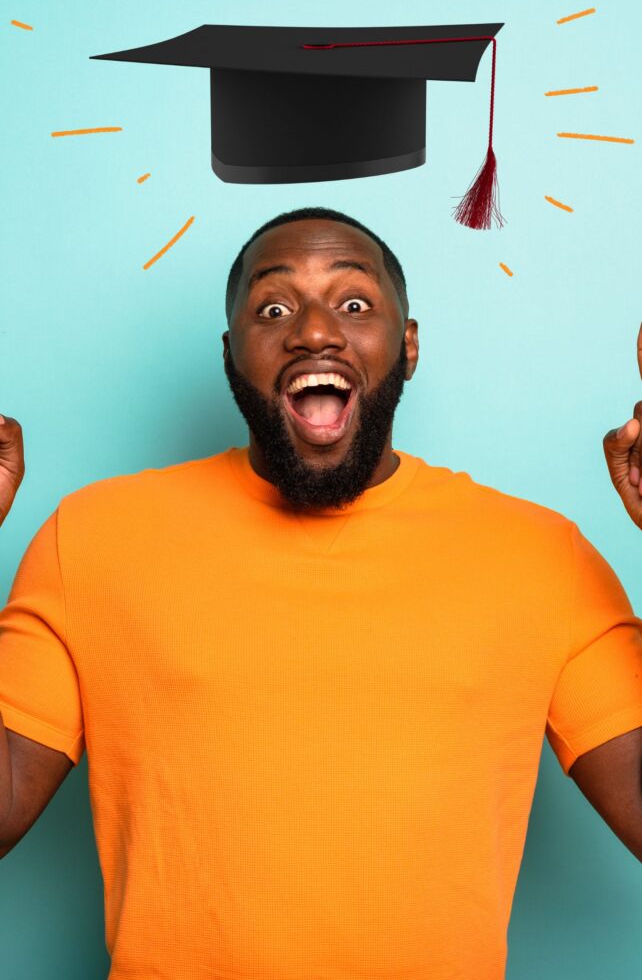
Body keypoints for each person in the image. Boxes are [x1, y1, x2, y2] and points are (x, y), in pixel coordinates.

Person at [0, 206, 641, 980]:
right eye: (274, 308)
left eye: (354, 304)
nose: (312, 331)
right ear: (233, 354)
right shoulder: (94, 538)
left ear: (407, 347)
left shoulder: (545, 558)